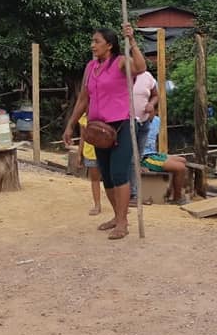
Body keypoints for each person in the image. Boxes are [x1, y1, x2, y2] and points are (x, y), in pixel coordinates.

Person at [62, 24, 146, 240]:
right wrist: (71, 124)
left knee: (119, 173)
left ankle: (123, 222)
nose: (92, 45)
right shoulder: (90, 67)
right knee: (106, 177)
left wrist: (132, 41)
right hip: (97, 131)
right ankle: (118, 217)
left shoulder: (120, 62)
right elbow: (83, 98)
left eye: (96, 41)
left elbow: (140, 68)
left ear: (109, 45)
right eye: (92, 41)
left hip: (121, 126)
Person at [139, 115, 189, 205]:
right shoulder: (138, 120)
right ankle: (177, 198)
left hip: (153, 153)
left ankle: (173, 191)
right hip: (144, 157)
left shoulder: (157, 120)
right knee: (180, 167)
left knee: (182, 160)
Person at [128, 69, 159, 207]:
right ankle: (130, 194)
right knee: (129, 157)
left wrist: (151, 104)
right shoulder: (122, 74)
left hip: (144, 122)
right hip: (126, 121)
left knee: (137, 157)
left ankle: (134, 193)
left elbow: (155, 95)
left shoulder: (147, 76)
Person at [77, 114, 102, 216]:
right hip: (90, 152)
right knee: (95, 179)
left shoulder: (105, 113)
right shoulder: (83, 118)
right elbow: (82, 137)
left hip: (106, 150)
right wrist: (79, 154)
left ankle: (119, 206)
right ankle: (97, 205)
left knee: (113, 179)